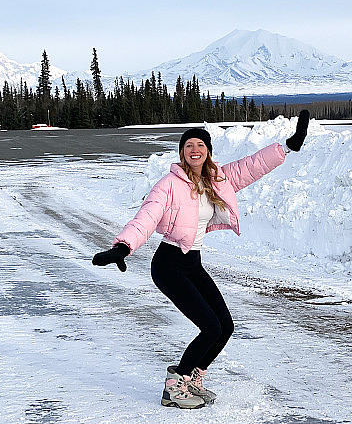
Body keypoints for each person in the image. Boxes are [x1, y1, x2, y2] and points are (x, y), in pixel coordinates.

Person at [92, 110, 311, 409]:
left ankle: (193, 378)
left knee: (225, 326)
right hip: (169, 265)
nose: (195, 150)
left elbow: (252, 166)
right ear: (182, 152)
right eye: (189, 145)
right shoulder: (168, 184)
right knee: (209, 326)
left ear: (208, 152)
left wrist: (287, 146)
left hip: (192, 263)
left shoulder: (218, 179)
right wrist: (123, 246)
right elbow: (147, 216)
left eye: (201, 145)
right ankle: (175, 384)